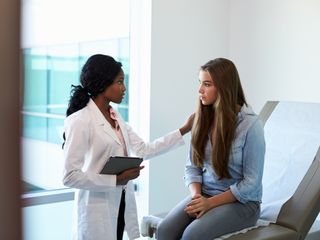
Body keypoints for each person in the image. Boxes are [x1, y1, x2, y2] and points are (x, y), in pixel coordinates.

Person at [62, 54, 193, 240]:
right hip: (96, 210)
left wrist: (185, 129)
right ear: (103, 84)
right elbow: (69, 176)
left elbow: (143, 150)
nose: (124, 88)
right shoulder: (80, 121)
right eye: (120, 82)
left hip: (121, 202)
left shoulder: (114, 116)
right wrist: (116, 179)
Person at [157, 58, 265, 240]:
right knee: (164, 231)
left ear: (224, 88)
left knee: (192, 236)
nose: (200, 90)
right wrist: (197, 198)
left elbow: (251, 184)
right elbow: (193, 167)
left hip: (242, 203)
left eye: (207, 84)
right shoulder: (202, 118)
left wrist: (210, 203)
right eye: (200, 83)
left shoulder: (250, 125)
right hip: (205, 194)